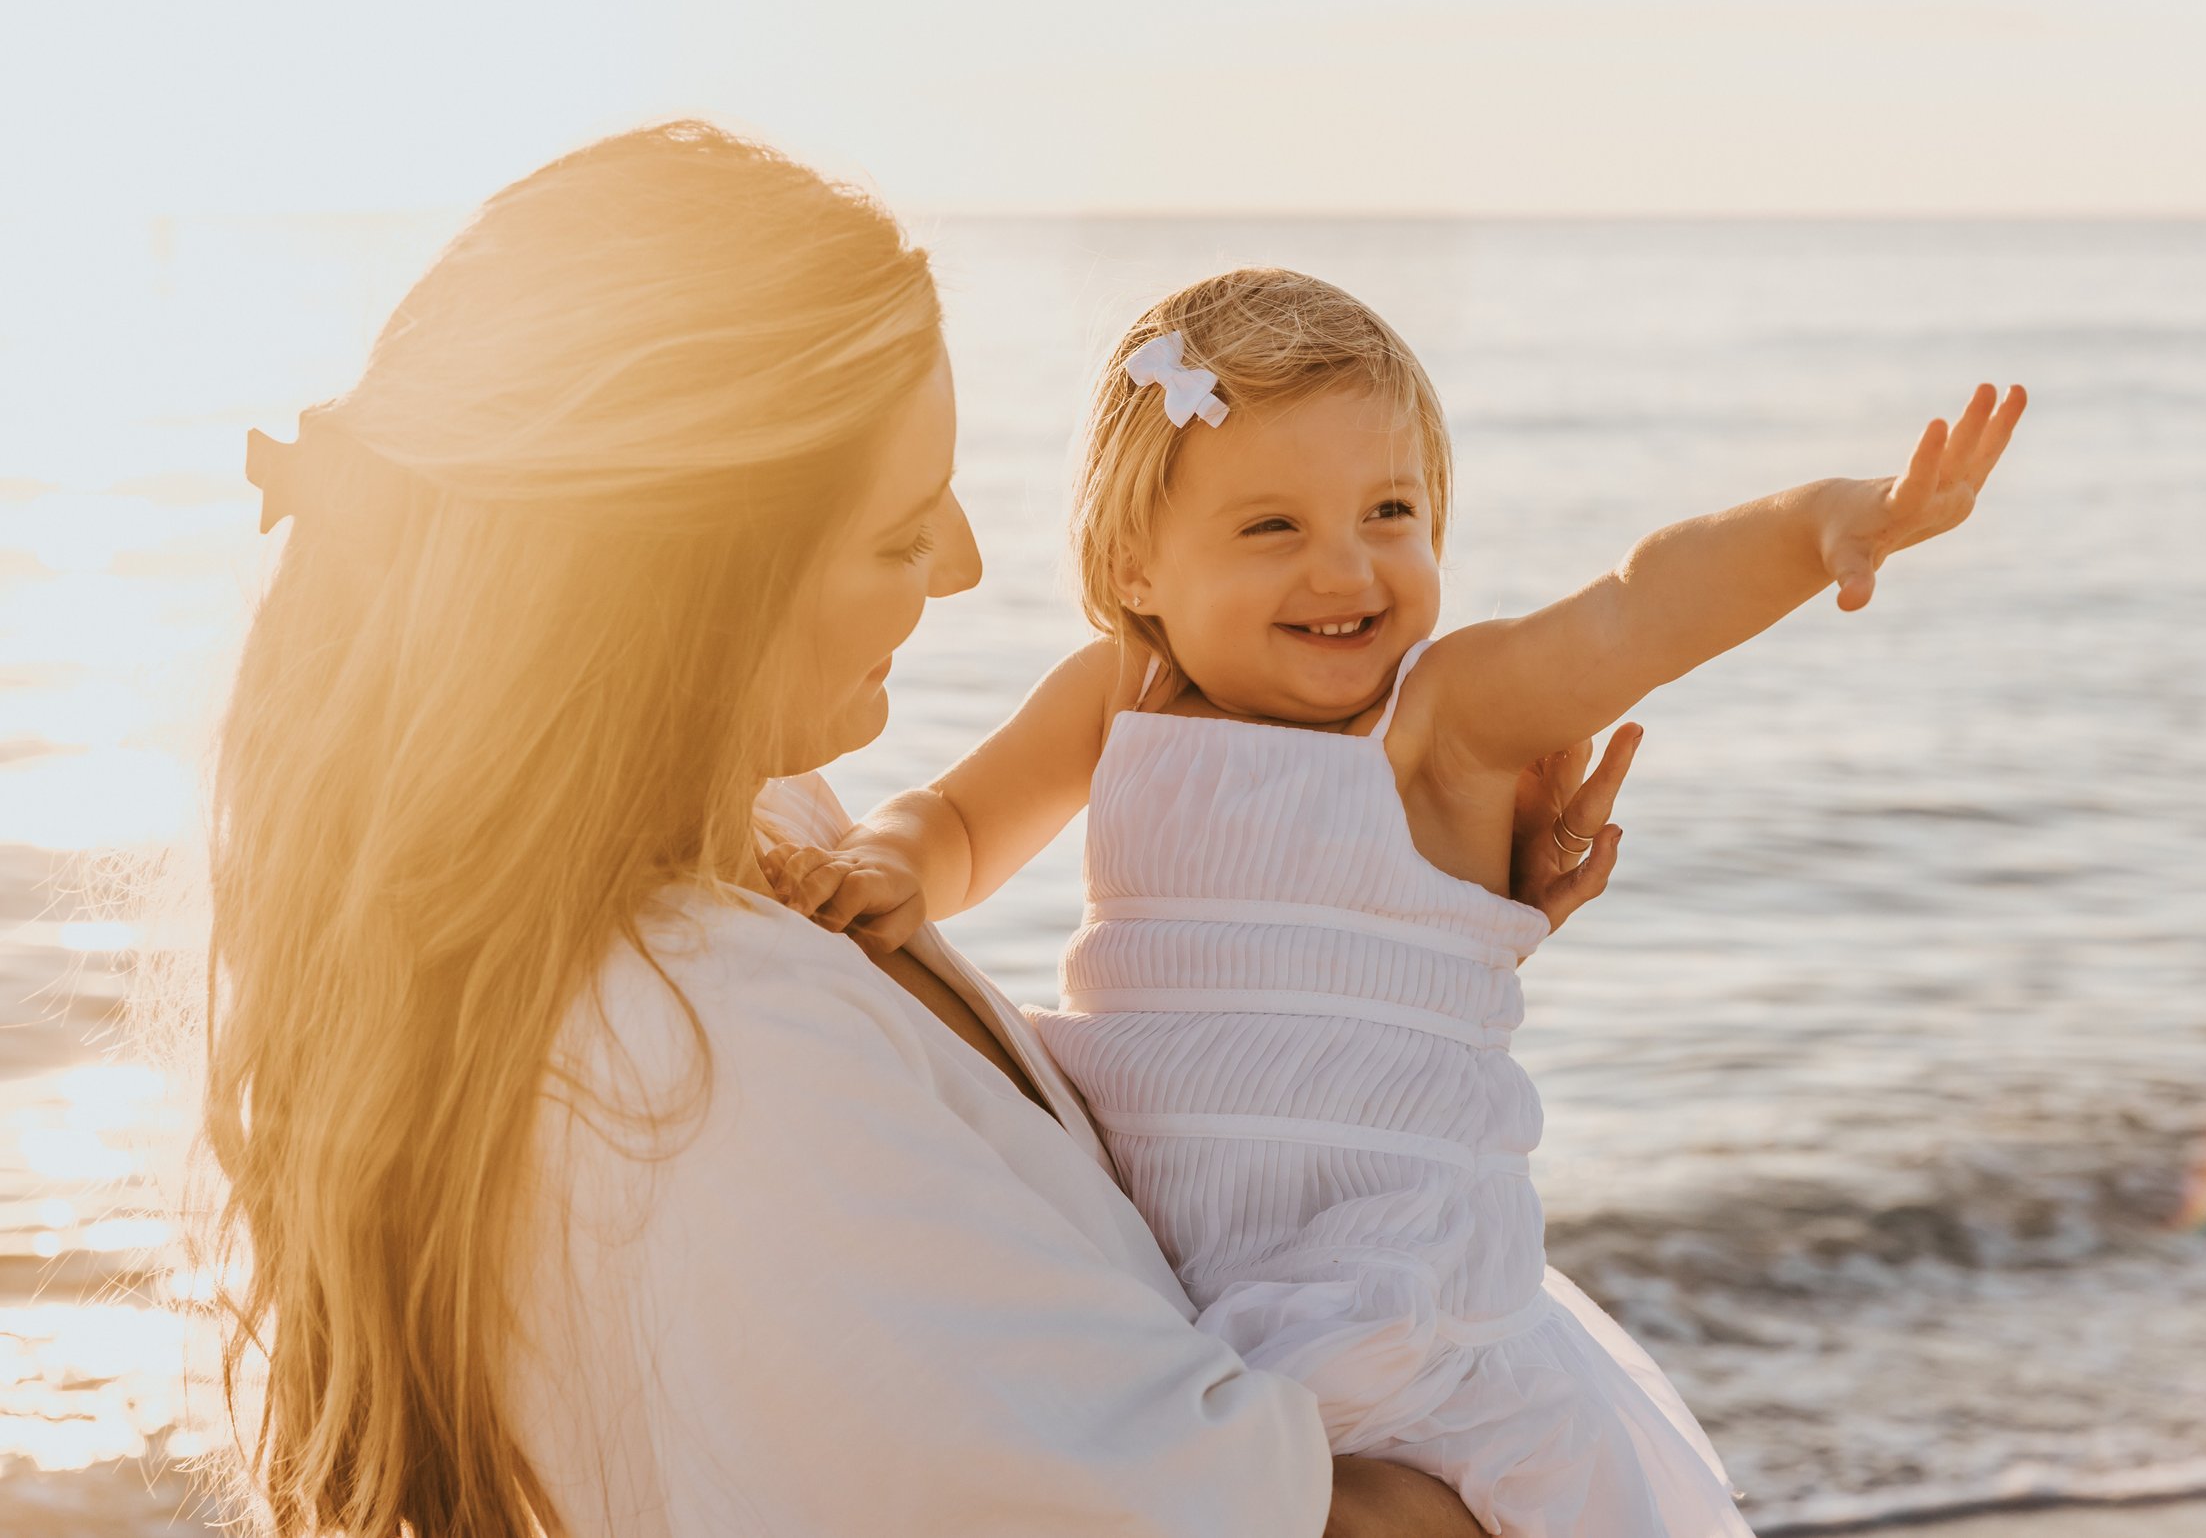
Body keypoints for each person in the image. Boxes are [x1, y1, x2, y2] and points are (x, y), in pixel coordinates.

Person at [202, 121, 1636, 1538]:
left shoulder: (767, 834)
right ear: (694, 577)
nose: (964, 564)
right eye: (900, 531)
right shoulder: (695, 1057)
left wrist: (1388, 950)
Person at [763, 268, 2026, 1536]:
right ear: (1135, 562)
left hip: (1388, 1284)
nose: (1346, 566)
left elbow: (1640, 605)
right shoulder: (1120, 694)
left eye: (1390, 510)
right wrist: (890, 862)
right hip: (1163, 1257)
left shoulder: (1440, 719)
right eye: (1273, 527)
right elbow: (965, 818)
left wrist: (1817, 525)